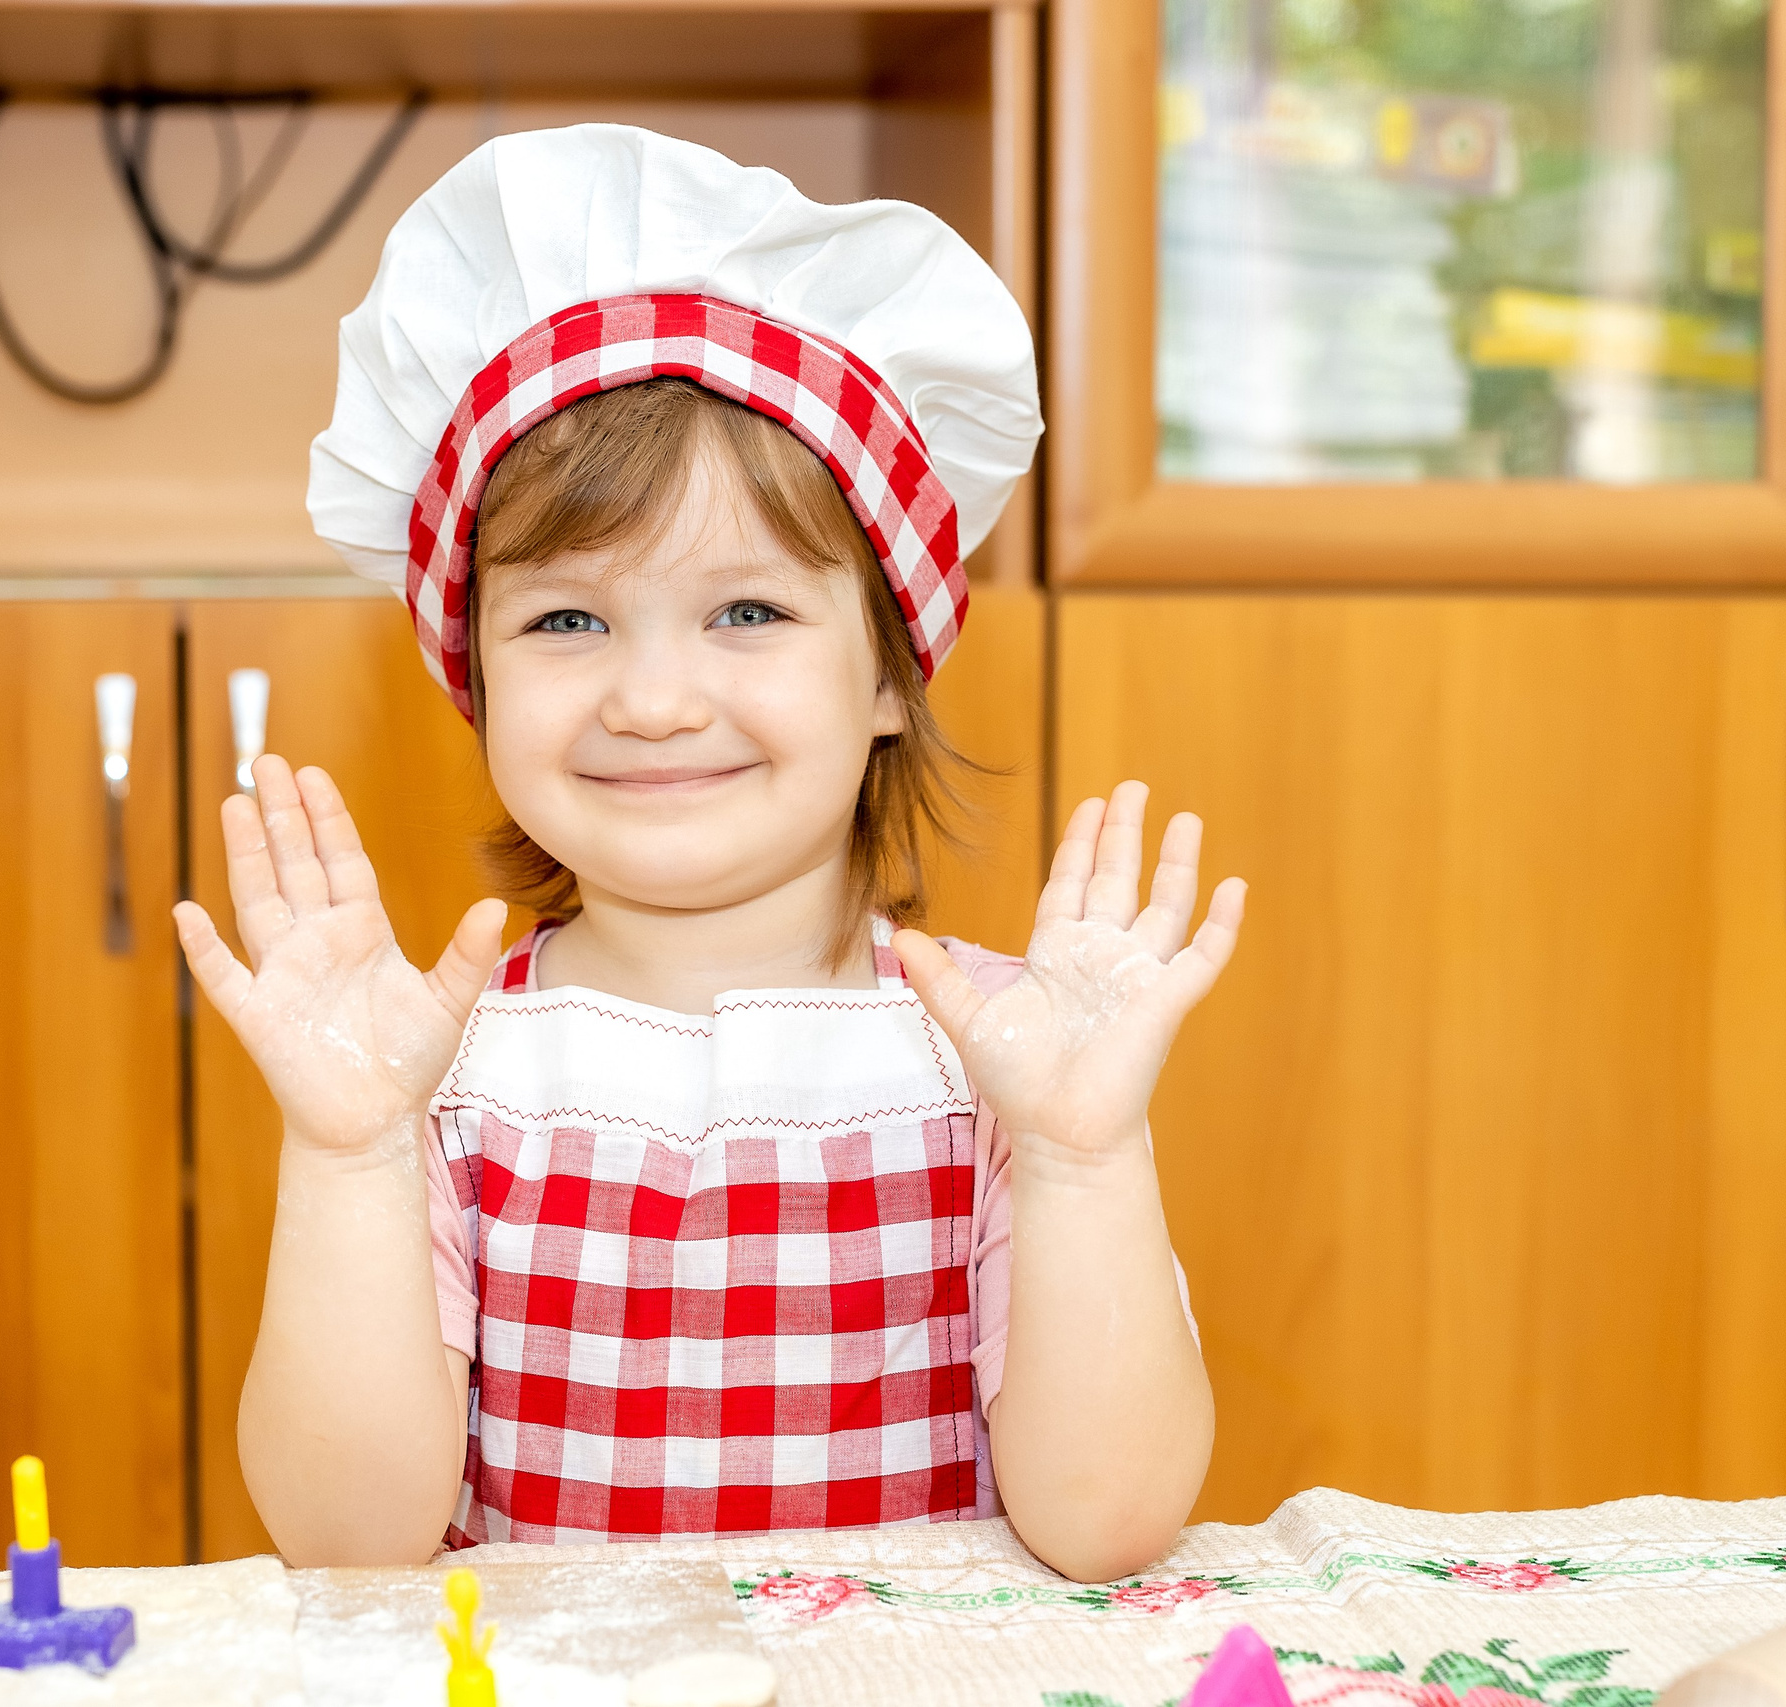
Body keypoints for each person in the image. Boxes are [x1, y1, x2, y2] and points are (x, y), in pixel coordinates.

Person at [173, 125, 1246, 1583]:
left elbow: (1109, 1527)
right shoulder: (432, 1070)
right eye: (567, 621)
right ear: (474, 678)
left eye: (746, 613)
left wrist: (1078, 1156)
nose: (654, 698)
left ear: (889, 676)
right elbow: (351, 1545)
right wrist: (351, 1152)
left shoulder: (1006, 1060)